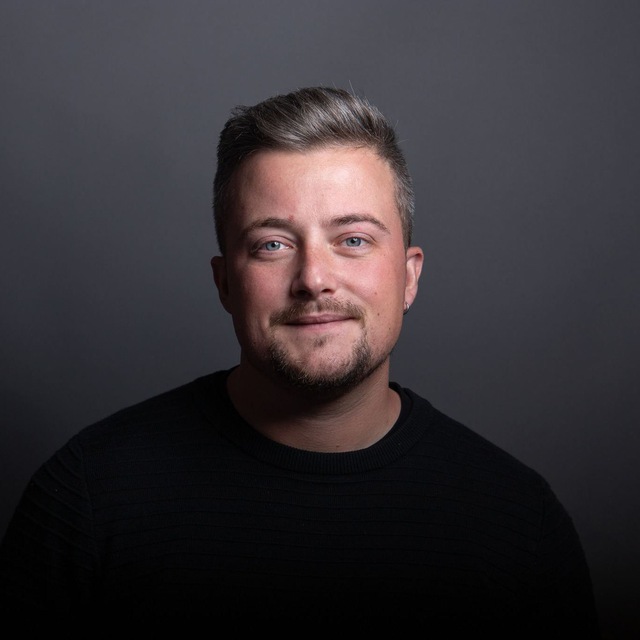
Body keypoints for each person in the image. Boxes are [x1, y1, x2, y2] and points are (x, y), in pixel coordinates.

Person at [0, 86, 600, 636]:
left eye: (354, 240)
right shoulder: (87, 497)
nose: (313, 279)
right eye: (272, 245)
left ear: (409, 276)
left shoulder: (519, 523)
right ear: (225, 283)